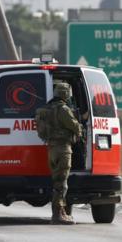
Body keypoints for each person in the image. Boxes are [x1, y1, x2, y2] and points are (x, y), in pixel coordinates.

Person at [47, 82, 82, 225]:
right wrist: (79, 129)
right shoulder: (63, 109)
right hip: (63, 149)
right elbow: (74, 126)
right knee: (62, 183)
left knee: (57, 181)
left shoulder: (47, 109)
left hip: (52, 149)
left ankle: (61, 212)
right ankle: (57, 214)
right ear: (66, 95)